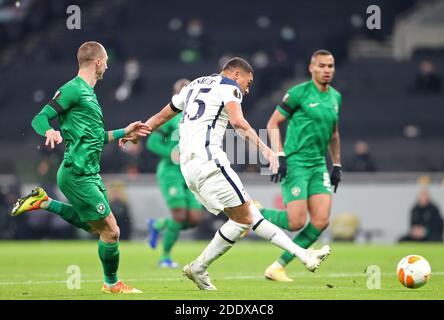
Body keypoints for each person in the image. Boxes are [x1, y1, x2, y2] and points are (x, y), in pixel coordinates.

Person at [120, 57, 331, 291]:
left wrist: (139, 132)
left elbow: (161, 116)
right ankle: (303, 256)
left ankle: (200, 268)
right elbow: (238, 123)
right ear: (236, 75)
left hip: (188, 168)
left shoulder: (194, 85)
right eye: (248, 83)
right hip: (210, 162)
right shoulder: (230, 86)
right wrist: (268, 151)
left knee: (242, 219)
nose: (247, 90)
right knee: (249, 216)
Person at [10, 41, 150, 294]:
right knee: (112, 231)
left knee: (96, 228)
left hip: (90, 173)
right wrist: (50, 130)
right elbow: (39, 118)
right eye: (106, 60)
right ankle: (112, 284)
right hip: (76, 173)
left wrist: (123, 131)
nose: (107, 64)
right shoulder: (72, 89)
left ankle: (44, 202)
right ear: (98, 61)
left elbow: (95, 136)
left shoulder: (88, 93)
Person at [260, 49, 342, 282]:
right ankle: (255, 212)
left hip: (318, 165)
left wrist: (336, 164)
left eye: (330, 66)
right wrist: (280, 155)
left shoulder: (336, 97)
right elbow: (272, 123)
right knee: (296, 222)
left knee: (320, 221)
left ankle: (277, 267)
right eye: (322, 66)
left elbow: (334, 134)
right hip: (295, 162)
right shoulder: (299, 93)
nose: (327, 70)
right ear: (311, 68)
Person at [146, 78, 204, 268]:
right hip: (171, 172)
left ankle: (158, 225)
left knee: (194, 219)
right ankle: (165, 257)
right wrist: (171, 154)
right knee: (179, 216)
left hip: (191, 171)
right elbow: (152, 142)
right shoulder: (170, 117)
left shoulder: (200, 117)